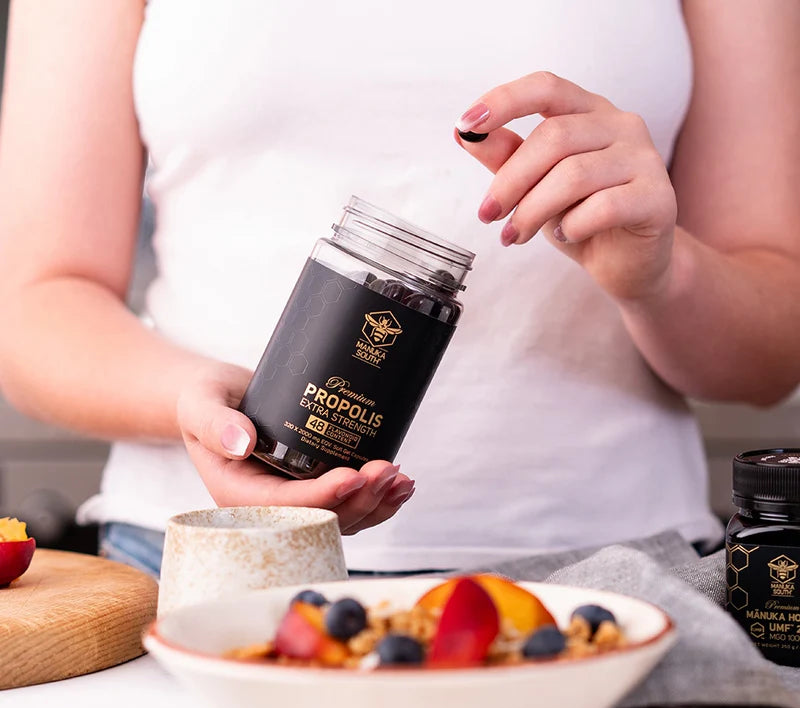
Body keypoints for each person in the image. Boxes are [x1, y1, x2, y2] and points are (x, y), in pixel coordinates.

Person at [0, 1, 797, 578]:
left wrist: (660, 273)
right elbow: (35, 304)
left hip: (611, 579)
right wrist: (201, 406)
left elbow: (770, 360)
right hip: (209, 569)